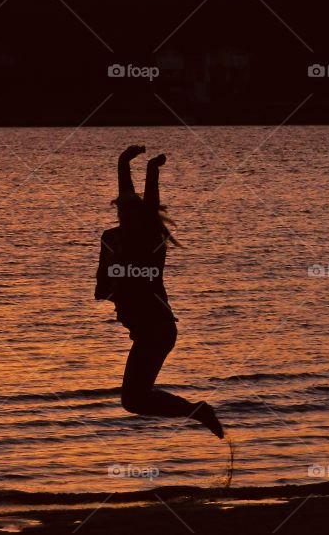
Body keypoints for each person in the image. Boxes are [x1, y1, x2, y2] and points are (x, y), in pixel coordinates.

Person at [95, 144, 224, 438]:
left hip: (157, 330)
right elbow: (129, 201)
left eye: (129, 213)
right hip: (149, 332)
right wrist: (127, 163)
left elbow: (147, 204)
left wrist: (146, 169)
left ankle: (198, 411)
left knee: (134, 398)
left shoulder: (148, 243)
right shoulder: (117, 240)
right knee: (134, 399)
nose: (123, 213)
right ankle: (197, 411)